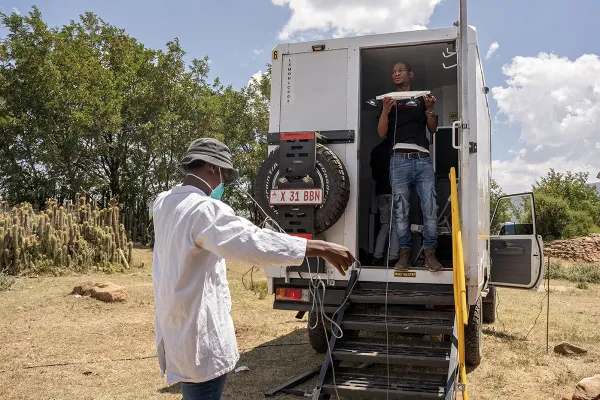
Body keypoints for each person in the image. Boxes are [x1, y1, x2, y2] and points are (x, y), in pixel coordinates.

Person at [151, 138, 356, 400]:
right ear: (213, 168)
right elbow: (253, 242)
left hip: (177, 323)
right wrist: (319, 247)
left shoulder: (164, 202)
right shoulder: (204, 209)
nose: (222, 184)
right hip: (199, 334)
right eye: (224, 175)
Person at [376, 61, 442, 272]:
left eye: (400, 71)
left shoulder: (422, 98)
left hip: (422, 159)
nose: (396, 74)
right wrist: (385, 112)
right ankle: (404, 254)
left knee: (430, 208)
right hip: (399, 160)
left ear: (410, 74)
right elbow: (381, 133)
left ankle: (430, 253)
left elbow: (433, 129)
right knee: (401, 210)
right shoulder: (390, 100)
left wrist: (430, 110)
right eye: (393, 71)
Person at [369, 137, 399, 265]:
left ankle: (377, 256)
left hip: (381, 191)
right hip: (395, 190)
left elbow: (374, 175)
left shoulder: (376, 150)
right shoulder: (397, 151)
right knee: (396, 225)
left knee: (385, 225)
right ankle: (393, 257)